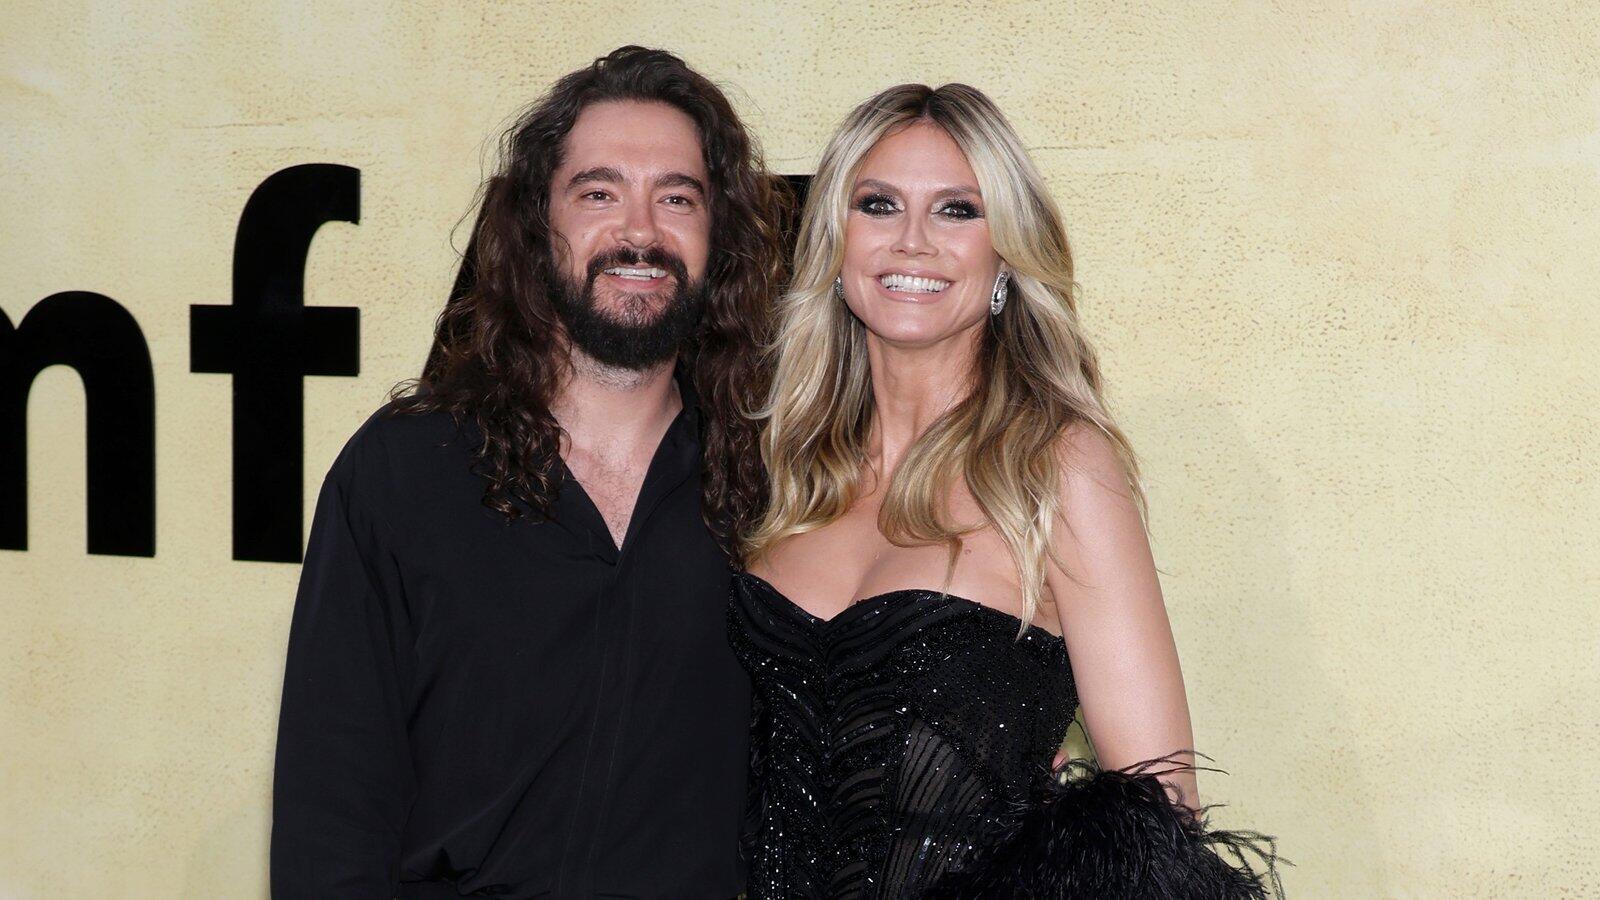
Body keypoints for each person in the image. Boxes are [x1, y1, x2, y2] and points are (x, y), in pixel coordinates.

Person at [730, 83, 1279, 897]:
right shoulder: (780, 472)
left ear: (1006, 258)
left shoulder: (1057, 467)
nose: (912, 240)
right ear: (834, 244)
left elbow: (1160, 824)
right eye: (878, 205)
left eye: (957, 211)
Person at [271, 46, 786, 899]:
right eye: (598, 193)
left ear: (717, 236)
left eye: (677, 198)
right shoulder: (406, 472)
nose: (640, 232)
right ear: (536, 226)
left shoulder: (776, 487)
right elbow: (331, 820)